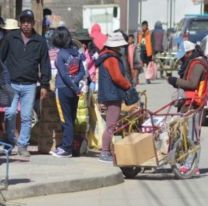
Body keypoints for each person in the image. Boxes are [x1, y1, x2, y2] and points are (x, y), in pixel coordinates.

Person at [0, 9, 51, 157]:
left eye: (29, 22)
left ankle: (23, 145)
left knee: (27, 116)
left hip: (30, 85)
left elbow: (45, 64)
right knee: (9, 113)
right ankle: (10, 140)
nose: (26, 25)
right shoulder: (11, 38)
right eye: (23, 22)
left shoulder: (40, 41)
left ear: (33, 23)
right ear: (20, 24)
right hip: (11, 83)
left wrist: (45, 85)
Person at [167, 40, 208, 175]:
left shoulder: (197, 65)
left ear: (190, 52)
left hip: (195, 103)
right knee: (188, 134)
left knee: (192, 135)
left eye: (184, 55)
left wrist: (175, 81)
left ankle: (190, 165)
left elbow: (192, 84)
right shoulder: (191, 62)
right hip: (188, 102)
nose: (182, 59)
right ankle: (192, 165)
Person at [95, 32, 131, 162]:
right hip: (113, 94)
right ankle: (105, 152)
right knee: (111, 125)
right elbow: (117, 77)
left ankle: (106, 151)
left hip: (108, 93)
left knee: (109, 125)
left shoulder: (105, 56)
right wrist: (128, 86)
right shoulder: (111, 59)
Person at [50, 26, 85, 157]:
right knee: (71, 118)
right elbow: (82, 72)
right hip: (74, 91)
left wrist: (73, 86)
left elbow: (64, 76)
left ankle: (66, 148)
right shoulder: (76, 53)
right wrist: (75, 84)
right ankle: (69, 146)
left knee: (65, 120)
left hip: (63, 90)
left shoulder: (60, 55)